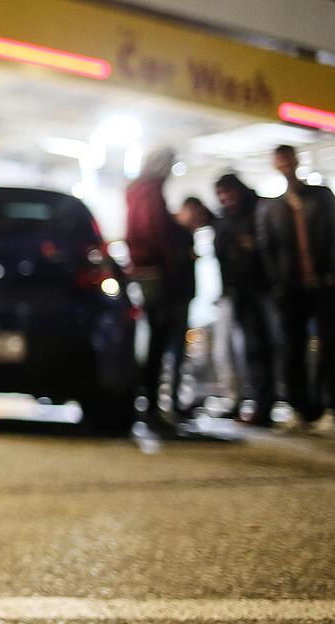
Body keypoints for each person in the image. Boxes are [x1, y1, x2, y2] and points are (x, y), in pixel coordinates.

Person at [258, 145, 335, 434]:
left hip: (323, 283)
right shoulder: (272, 207)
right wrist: (277, 283)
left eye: (288, 158)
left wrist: (332, 271)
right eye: (279, 160)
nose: (284, 164)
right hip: (290, 288)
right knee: (292, 348)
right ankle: (299, 410)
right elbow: (267, 248)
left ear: (297, 161)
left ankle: (330, 409)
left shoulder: (321, 196)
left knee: (328, 347)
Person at [125, 148, 196, 434]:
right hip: (159, 277)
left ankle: (147, 404)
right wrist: (174, 264)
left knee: (151, 342)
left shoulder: (135, 192)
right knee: (157, 343)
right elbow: (155, 234)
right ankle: (152, 407)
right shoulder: (150, 192)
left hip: (145, 275)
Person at [213, 174, 275, 424]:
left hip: (258, 290)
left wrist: (254, 247)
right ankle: (249, 402)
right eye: (220, 193)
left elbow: (270, 247)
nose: (225, 197)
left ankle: (263, 405)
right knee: (241, 350)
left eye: (227, 191)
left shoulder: (258, 211)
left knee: (259, 347)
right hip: (236, 292)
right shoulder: (226, 220)